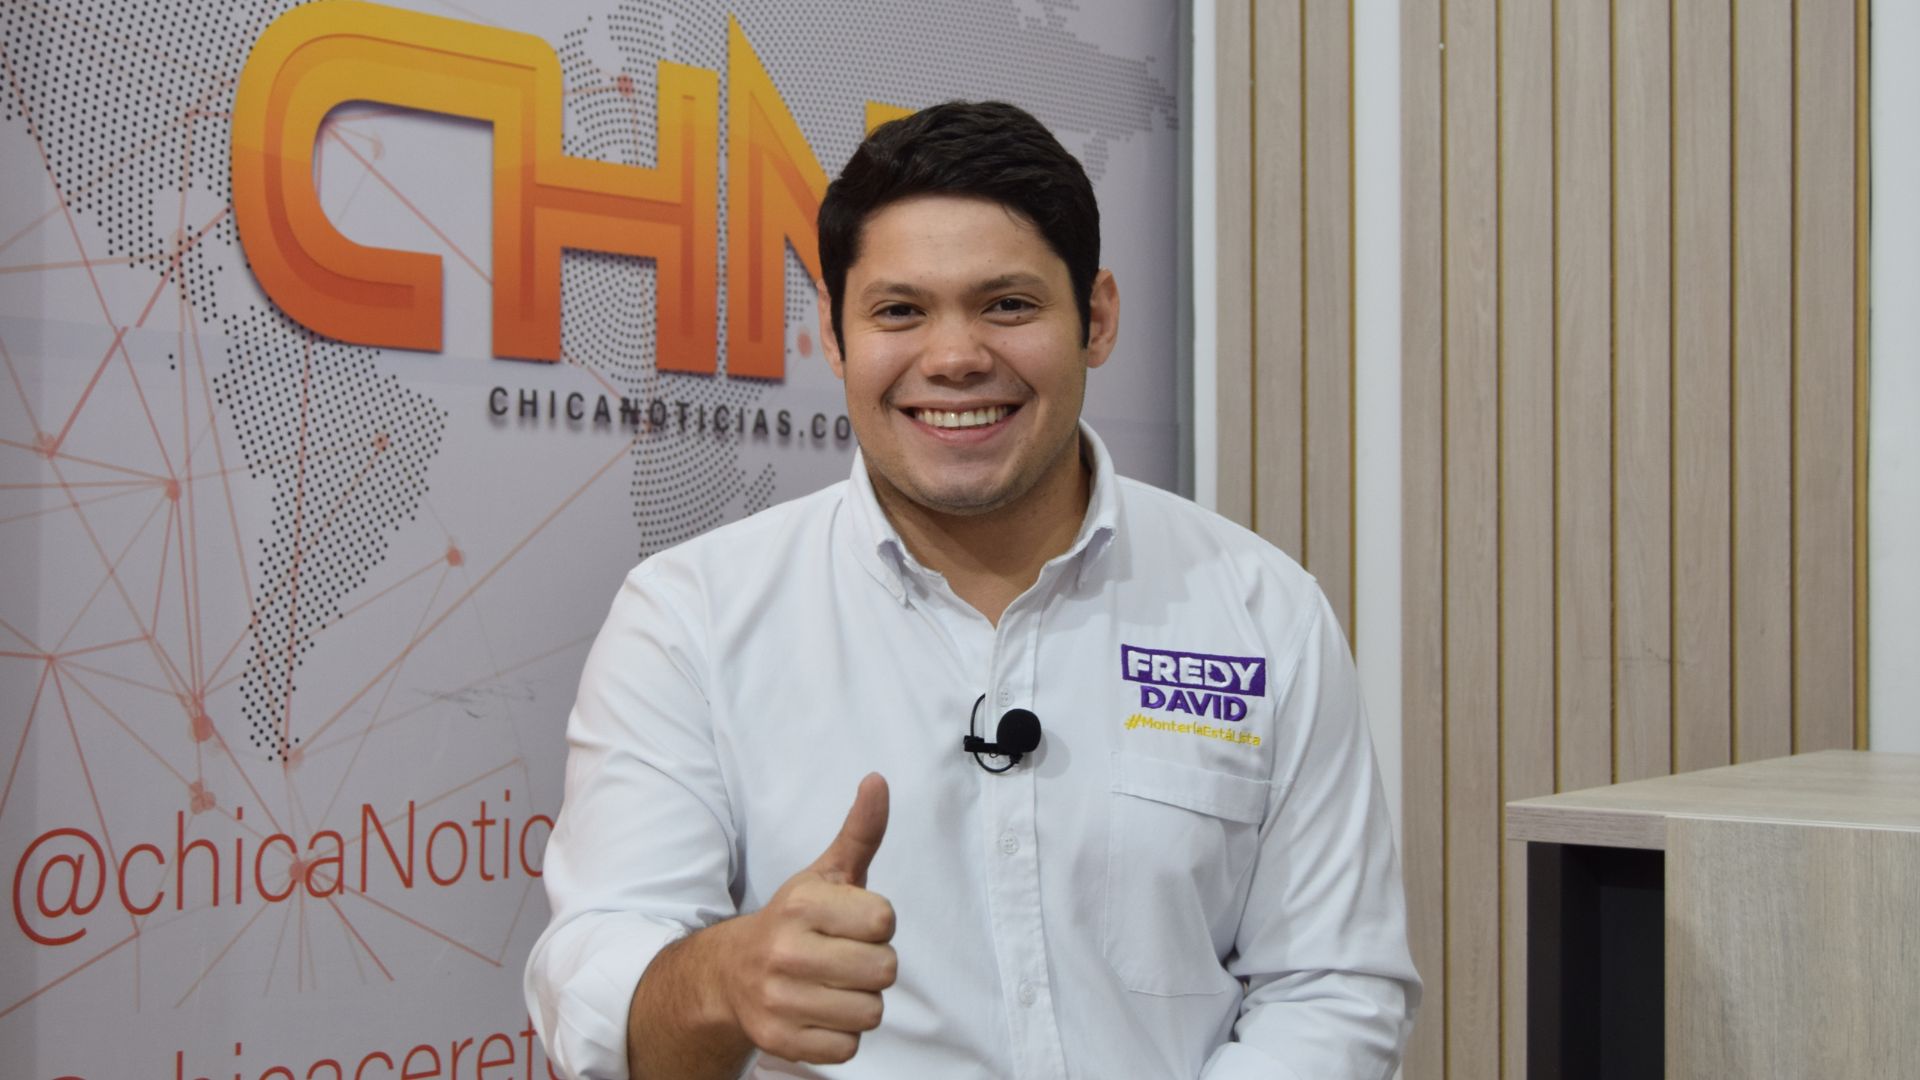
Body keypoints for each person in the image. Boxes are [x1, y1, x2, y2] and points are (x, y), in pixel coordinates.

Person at [524, 100, 1419, 1079]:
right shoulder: (690, 619)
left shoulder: (1262, 609)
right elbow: (596, 985)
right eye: (899, 311)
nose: (954, 358)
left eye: (1008, 306)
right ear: (835, 336)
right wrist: (724, 979)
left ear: (1097, 318)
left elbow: (1332, 985)